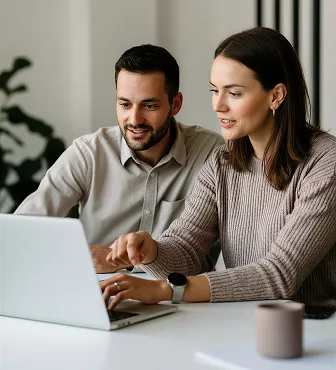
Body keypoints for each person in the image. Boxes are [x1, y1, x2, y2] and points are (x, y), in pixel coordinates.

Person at [100, 27, 336, 310]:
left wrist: (164, 289)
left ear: (276, 96)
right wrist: (151, 251)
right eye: (215, 91)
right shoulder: (222, 162)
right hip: (241, 323)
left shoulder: (326, 163)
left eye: (234, 93)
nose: (218, 105)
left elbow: (280, 275)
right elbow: (185, 251)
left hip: (314, 331)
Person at [15, 44, 224, 273]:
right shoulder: (89, 154)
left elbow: (197, 252)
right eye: (125, 104)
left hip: (182, 297)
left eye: (149, 105)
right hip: (100, 295)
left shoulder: (211, 153)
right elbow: (22, 232)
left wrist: (120, 260)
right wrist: (77, 256)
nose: (134, 119)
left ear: (175, 104)